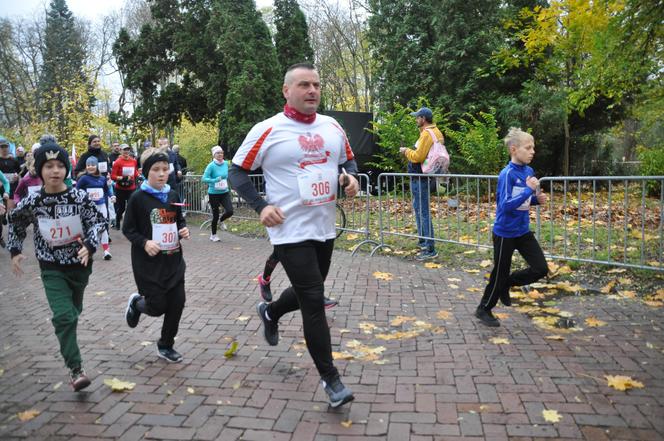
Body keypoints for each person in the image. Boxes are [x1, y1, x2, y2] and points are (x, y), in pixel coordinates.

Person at [229, 62, 360, 408]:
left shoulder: (332, 126)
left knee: (308, 293)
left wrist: (350, 177)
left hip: (324, 226)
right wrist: (260, 206)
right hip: (288, 230)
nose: (312, 90)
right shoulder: (268, 129)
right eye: (304, 85)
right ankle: (331, 380)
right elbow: (237, 172)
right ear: (287, 90)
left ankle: (270, 312)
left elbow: (348, 161)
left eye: (316, 84)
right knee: (314, 300)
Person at [8, 140, 104, 390]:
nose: (55, 171)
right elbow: (16, 222)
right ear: (39, 170)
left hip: (80, 265)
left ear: (66, 169)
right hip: (51, 267)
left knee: (73, 313)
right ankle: (76, 368)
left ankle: (71, 351)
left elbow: (97, 221)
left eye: (60, 165)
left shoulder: (78, 196)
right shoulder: (34, 201)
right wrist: (15, 250)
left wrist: (90, 246)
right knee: (64, 316)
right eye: (48, 166)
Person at [475, 128, 548, 327]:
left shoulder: (528, 171)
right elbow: (505, 204)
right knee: (499, 273)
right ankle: (484, 309)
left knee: (541, 268)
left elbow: (522, 201)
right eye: (528, 147)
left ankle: (508, 282)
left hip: (522, 231)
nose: (533, 151)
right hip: (505, 232)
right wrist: (529, 190)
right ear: (514, 150)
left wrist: (535, 200)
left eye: (533, 147)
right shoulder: (506, 175)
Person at [123, 148, 190, 363]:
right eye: (156, 170)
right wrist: (145, 242)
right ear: (145, 172)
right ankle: (137, 304)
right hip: (148, 263)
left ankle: (166, 345)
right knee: (157, 306)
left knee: (178, 302)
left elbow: (178, 219)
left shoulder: (172, 194)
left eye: (165, 169)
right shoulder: (138, 198)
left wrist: (183, 229)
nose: (162, 174)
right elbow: (128, 229)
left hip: (173, 260)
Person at [399, 107, 441, 261]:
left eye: (417, 117)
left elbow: (418, 156)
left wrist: (405, 151)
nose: (416, 119)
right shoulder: (435, 131)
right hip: (423, 176)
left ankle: (430, 248)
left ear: (423, 118)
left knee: (423, 211)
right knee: (419, 208)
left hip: (419, 177)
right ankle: (423, 241)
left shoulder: (427, 134)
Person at [258, 249, 338, 308]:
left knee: (312, 253)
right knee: (278, 253)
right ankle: (264, 279)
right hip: (282, 229)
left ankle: (318, 295)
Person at [76, 157, 114, 260]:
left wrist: (112, 196)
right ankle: (89, 249)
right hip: (89, 208)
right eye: (88, 165)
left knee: (103, 227)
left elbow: (106, 190)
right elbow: (76, 191)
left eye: (92, 165)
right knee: (90, 229)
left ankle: (106, 251)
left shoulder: (102, 178)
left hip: (101, 206)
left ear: (96, 166)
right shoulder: (83, 179)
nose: (90, 167)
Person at [201, 146, 234, 241]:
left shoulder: (226, 164)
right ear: (214, 155)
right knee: (215, 215)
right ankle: (213, 235)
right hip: (213, 193)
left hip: (224, 192)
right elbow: (204, 179)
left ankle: (221, 220)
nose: (220, 154)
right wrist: (214, 180)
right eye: (218, 153)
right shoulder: (211, 166)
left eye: (221, 153)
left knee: (230, 211)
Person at [110, 144, 139, 229]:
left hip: (131, 188)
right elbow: (113, 176)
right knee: (121, 208)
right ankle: (117, 222)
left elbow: (135, 172)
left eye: (128, 149)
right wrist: (122, 178)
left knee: (131, 207)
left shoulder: (133, 161)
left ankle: (130, 225)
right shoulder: (117, 162)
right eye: (124, 150)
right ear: (121, 151)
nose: (126, 151)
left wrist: (138, 174)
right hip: (121, 188)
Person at [0, 138, 20, 247]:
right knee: (2, 210)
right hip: (0, 189)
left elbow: (19, 172)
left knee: (11, 210)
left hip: (11, 187)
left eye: (5, 146)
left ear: (8, 147)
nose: (4, 149)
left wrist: (17, 176)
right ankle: (3, 218)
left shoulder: (14, 160)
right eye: (2, 147)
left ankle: (13, 233)